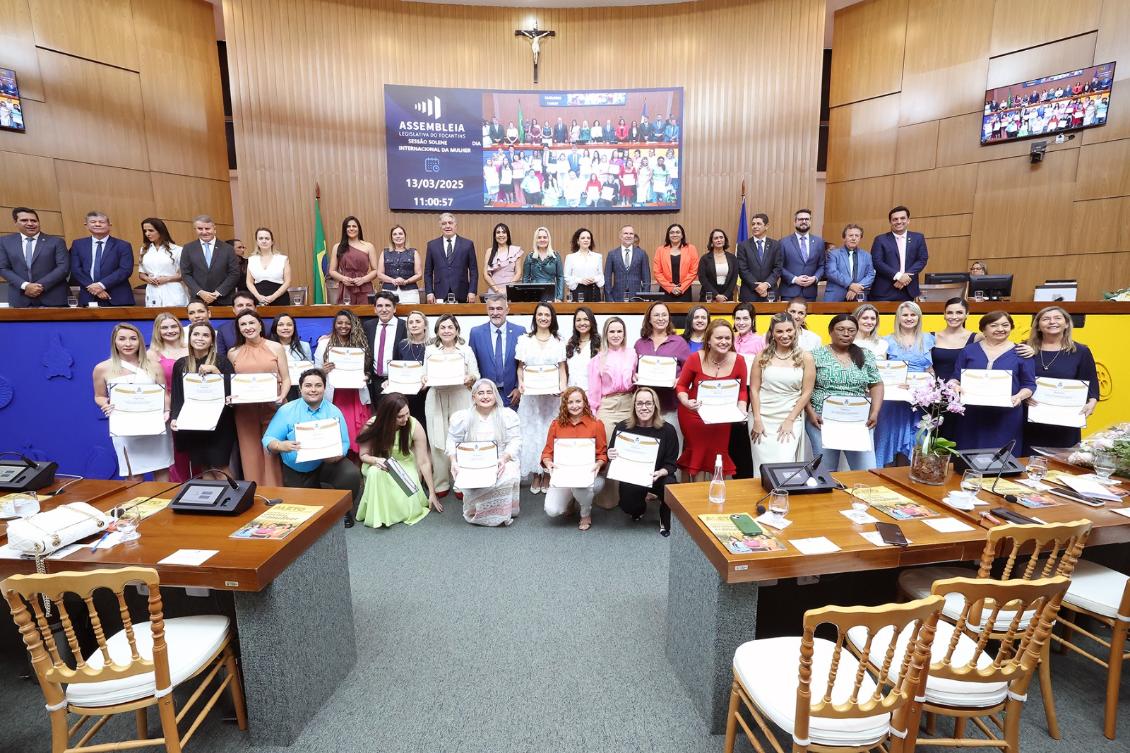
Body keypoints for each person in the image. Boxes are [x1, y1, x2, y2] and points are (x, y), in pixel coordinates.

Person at [263, 368, 362, 527]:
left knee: (350, 473)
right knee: (301, 517)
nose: (313, 390)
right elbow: (268, 439)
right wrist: (281, 445)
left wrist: (336, 456)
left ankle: (344, 511)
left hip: (326, 463)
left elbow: (344, 443)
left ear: (324, 388)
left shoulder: (334, 411)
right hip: (297, 467)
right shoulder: (287, 411)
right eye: (308, 385)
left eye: (318, 385)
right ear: (300, 388)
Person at [92, 323, 173, 482]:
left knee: (162, 471)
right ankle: (135, 507)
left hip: (155, 425)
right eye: (122, 339)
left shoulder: (154, 366)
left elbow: (164, 393)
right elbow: (99, 396)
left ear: (140, 342)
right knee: (133, 475)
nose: (128, 344)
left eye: (133, 339)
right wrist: (105, 404)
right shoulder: (102, 368)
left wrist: (167, 410)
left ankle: (165, 505)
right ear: (114, 342)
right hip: (125, 427)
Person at [805, 314, 884, 474]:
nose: (846, 334)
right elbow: (804, 389)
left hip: (859, 420)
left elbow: (876, 384)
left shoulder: (866, 354)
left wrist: (875, 412)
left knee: (866, 471)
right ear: (830, 331)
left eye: (851, 330)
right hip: (822, 420)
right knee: (825, 472)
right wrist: (811, 413)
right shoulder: (814, 355)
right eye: (841, 329)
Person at [1018, 305, 1099, 453]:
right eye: (1046, 319)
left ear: (1067, 323)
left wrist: (1092, 402)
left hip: (1065, 420)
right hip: (1031, 415)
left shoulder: (1080, 351)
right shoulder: (1024, 348)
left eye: (1057, 318)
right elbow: (1016, 379)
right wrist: (1022, 396)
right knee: (1026, 461)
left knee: (1061, 464)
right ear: (1038, 326)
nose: (1052, 322)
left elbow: (1091, 381)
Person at [951, 311, 1036, 452]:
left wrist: (1019, 396)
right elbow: (955, 377)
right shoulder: (969, 351)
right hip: (972, 414)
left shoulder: (1022, 352)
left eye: (1005, 325)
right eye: (994, 325)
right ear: (984, 329)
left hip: (1006, 415)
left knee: (1002, 459)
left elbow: (1029, 384)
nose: (1000, 329)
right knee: (969, 456)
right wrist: (955, 386)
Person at [676, 319, 749, 481]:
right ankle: (694, 497)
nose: (724, 342)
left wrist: (742, 408)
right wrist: (686, 401)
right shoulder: (695, 358)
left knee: (718, 453)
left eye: (728, 338)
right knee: (697, 452)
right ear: (708, 340)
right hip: (694, 415)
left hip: (723, 417)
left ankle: (715, 495)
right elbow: (681, 386)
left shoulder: (739, 361)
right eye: (719, 338)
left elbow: (742, 391)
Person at [355, 393, 440, 528]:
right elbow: (363, 455)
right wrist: (376, 460)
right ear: (387, 416)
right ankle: (378, 516)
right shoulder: (372, 425)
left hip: (405, 463)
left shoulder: (413, 424)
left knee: (407, 501)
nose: (405, 419)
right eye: (400, 416)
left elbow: (423, 461)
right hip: (378, 463)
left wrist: (432, 492)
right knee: (375, 473)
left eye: (407, 413)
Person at [447, 378, 521, 527]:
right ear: (473, 396)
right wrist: (453, 462)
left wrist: (504, 459)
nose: (485, 396)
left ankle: (502, 512)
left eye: (489, 392)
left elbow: (515, 441)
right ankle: (478, 511)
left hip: (501, 459)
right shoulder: (462, 417)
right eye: (481, 393)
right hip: (473, 461)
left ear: (495, 395)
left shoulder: (508, 415)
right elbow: (452, 440)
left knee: (507, 474)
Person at [228, 311, 289, 487]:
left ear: (260, 325)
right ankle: (255, 493)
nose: (248, 327)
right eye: (243, 324)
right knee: (250, 454)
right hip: (244, 411)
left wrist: (282, 396)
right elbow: (231, 382)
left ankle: (277, 493)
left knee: (272, 451)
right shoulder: (233, 353)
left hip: (273, 408)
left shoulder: (275, 347)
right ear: (239, 329)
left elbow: (286, 378)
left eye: (251, 323)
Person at [609, 387, 680, 536]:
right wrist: (610, 454)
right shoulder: (623, 427)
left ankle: (664, 517)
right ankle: (639, 508)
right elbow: (612, 453)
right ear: (634, 406)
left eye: (648, 403)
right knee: (628, 507)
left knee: (670, 485)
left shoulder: (668, 430)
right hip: (633, 477)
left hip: (658, 477)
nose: (644, 407)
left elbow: (671, 463)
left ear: (655, 406)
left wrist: (662, 472)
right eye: (639, 403)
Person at [170, 322, 236, 479]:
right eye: (196, 334)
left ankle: (234, 500)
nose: (200, 338)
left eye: (205, 335)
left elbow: (232, 392)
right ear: (190, 338)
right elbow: (177, 394)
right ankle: (213, 502)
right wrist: (175, 417)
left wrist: (216, 373)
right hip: (192, 424)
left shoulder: (222, 362)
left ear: (212, 341)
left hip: (220, 424)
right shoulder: (181, 364)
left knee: (220, 467)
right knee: (204, 467)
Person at [423, 313, 479, 497]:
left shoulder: (466, 350)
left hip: (460, 395)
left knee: (462, 438)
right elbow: (425, 375)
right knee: (437, 439)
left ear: (456, 330)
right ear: (437, 331)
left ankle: (461, 482)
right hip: (436, 396)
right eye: (443, 327)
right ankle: (441, 482)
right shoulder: (430, 350)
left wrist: (470, 378)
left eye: (450, 327)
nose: (447, 330)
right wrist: (423, 378)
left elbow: (475, 374)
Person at [750, 313, 815, 467]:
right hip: (762, 417)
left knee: (785, 464)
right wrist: (757, 419)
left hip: (790, 416)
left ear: (795, 331)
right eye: (779, 331)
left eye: (789, 330)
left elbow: (806, 392)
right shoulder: (761, 356)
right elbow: (754, 389)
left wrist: (790, 420)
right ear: (772, 333)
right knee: (762, 466)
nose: (785, 335)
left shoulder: (806, 357)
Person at [516, 302, 567, 493]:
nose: (543, 318)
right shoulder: (524, 340)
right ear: (535, 317)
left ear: (552, 318)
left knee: (549, 433)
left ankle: (547, 473)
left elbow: (562, 369)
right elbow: (521, 368)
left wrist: (563, 388)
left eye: (547, 315)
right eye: (540, 314)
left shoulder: (558, 341)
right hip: (530, 398)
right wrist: (521, 383)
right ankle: (536, 475)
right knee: (531, 434)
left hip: (551, 399)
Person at [875, 302, 934, 466]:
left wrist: (931, 382)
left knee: (916, 439)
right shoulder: (887, 341)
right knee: (887, 438)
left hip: (918, 400)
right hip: (892, 400)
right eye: (905, 315)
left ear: (919, 317)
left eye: (913, 315)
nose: (909, 318)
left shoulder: (929, 339)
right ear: (898, 318)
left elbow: (930, 369)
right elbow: (882, 370)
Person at [540, 388, 607, 531]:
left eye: (578, 401)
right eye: (570, 402)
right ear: (565, 404)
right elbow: (547, 452)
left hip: (588, 476)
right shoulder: (556, 425)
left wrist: (599, 463)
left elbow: (602, 454)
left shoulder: (596, 425)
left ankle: (585, 514)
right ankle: (571, 500)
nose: (574, 405)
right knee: (552, 510)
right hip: (563, 475)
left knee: (580, 487)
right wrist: (547, 461)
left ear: (584, 403)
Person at [314, 309, 373, 455]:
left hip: (355, 394)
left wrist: (366, 376)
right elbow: (315, 372)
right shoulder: (324, 343)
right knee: (338, 430)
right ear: (334, 324)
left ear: (353, 325)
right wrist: (323, 370)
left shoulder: (360, 343)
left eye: (347, 323)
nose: (343, 326)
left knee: (358, 433)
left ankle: (359, 466)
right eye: (339, 322)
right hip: (335, 396)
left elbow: (368, 370)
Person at [635, 301, 692, 430]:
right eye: (656, 315)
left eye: (664, 315)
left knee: (672, 447)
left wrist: (680, 380)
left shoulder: (679, 342)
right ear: (649, 319)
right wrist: (635, 375)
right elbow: (633, 369)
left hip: (671, 406)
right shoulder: (639, 343)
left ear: (669, 318)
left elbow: (689, 370)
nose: (661, 318)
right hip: (645, 408)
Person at [148, 312, 190, 481]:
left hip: (193, 404)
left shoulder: (191, 347)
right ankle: (178, 488)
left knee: (194, 449)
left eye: (173, 326)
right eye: (164, 327)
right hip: (168, 406)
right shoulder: (152, 354)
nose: (170, 330)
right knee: (174, 451)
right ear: (158, 331)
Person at [0, 207, 69, 307]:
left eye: (34, 220)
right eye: (24, 220)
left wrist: (38, 287)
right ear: (15, 222)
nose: (30, 224)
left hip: (53, 299)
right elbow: (3, 268)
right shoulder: (4, 242)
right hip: (21, 299)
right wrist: (25, 286)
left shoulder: (56, 242)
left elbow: (64, 268)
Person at [588, 316, 639, 450]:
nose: (616, 335)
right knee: (607, 447)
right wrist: (593, 412)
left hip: (628, 404)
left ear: (624, 333)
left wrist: (636, 377)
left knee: (628, 446)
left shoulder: (633, 354)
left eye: (619, 331)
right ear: (605, 334)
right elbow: (594, 391)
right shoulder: (597, 359)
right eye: (612, 332)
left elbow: (637, 379)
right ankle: (606, 472)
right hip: (607, 406)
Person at [469, 295, 525, 408]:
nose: (495, 312)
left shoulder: (520, 331)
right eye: (491, 309)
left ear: (507, 310)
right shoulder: (476, 333)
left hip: (512, 395)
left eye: (499, 308)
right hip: (485, 395)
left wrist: (518, 388)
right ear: (487, 310)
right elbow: (472, 364)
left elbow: (523, 363)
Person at [70, 211, 135, 306]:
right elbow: (76, 269)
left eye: (101, 222)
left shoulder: (123, 245)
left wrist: (101, 285)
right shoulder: (78, 244)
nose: (97, 224)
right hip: (88, 296)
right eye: (93, 222)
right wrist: (93, 288)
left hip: (116, 297)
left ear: (109, 225)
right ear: (86, 225)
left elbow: (125, 270)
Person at [730, 302, 765, 478]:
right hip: (731, 393)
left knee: (746, 438)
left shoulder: (760, 341)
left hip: (751, 393)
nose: (741, 322)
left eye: (745, 318)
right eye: (737, 318)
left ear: (752, 320)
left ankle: (746, 477)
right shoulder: (730, 339)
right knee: (732, 439)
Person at [870, 205, 929, 302]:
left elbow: (922, 259)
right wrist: (899, 276)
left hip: (908, 290)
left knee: (906, 317)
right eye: (895, 219)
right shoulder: (880, 239)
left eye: (902, 218)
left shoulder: (918, 238)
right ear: (890, 222)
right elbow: (877, 262)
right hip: (885, 291)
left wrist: (906, 277)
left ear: (908, 220)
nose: (899, 221)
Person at [180, 214, 241, 306]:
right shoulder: (188, 248)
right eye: (200, 229)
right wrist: (200, 292)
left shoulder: (228, 248)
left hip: (224, 299)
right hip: (198, 300)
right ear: (195, 230)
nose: (204, 232)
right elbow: (186, 274)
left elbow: (234, 273)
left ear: (214, 229)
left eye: (207, 229)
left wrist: (218, 293)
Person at [362, 291, 408, 406]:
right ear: (375, 309)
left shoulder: (405, 326)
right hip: (375, 381)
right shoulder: (368, 326)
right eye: (379, 306)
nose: (384, 309)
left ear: (394, 309)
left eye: (388, 305)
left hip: (398, 380)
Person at [387, 309, 430, 431]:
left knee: (424, 427)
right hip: (406, 396)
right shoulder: (402, 345)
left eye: (418, 321)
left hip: (426, 395)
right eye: (410, 322)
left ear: (425, 325)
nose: (414, 325)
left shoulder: (433, 345)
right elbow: (395, 367)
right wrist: (390, 380)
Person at [424, 212, 478, 304]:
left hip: (462, 292)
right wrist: (429, 292)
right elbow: (428, 272)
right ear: (440, 226)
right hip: (439, 293)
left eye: (450, 223)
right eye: (444, 224)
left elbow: (473, 271)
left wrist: (472, 291)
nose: (447, 226)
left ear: (455, 225)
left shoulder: (467, 244)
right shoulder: (432, 245)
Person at [329, 215, 379, 305]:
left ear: (358, 228)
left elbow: (375, 270)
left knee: (366, 316)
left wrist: (363, 279)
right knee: (346, 316)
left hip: (364, 287)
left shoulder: (368, 246)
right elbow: (332, 271)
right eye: (348, 226)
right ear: (344, 229)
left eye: (354, 226)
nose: (351, 229)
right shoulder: (337, 247)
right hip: (346, 288)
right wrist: (343, 278)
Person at [138, 217, 187, 307]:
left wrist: (166, 279)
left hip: (173, 291)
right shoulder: (144, 250)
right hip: (152, 290)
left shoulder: (177, 250)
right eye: (145, 231)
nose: (147, 234)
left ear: (160, 231)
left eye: (151, 230)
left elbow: (183, 274)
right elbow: (141, 274)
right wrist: (147, 279)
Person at [778, 208, 824, 301]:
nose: (804, 221)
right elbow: (778, 266)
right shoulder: (783, 242)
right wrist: (794, 279)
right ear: (794, 222)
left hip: (810, 292)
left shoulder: (819, 242)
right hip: (789, 292)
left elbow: (822, 265)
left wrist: (815, 278)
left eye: (807, 219)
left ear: (810, 222)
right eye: (800, 219)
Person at [735, 213, 782, 302]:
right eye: (753, 224)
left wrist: (766, 285)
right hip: (749, 292)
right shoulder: (743, 246)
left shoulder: (775, 245)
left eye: (758, 224)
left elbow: (778, 268)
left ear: (766, 226)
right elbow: (742, 269)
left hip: (769, 292)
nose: (755, 226)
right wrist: (757, 286)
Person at [824, 224, 875, 302]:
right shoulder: (834, 254)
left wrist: (856, 288)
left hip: (859, 296)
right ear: (844, 238)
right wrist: (851, 285)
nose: (854, 238)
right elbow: (831, 272)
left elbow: (870, 275)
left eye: (857, 236)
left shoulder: (866, 255)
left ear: (860, 238)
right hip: (836, 297)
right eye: (850, 235)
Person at [270, 313, 313, 402]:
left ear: (294, 327)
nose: (285, 328)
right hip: (277, 390)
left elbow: (309, 371)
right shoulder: (269, 347)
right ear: (275, 328)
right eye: (281, 325)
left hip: (299, 391)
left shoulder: (305, 346)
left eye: (289, 324)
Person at [245, 227, 292, 306]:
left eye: (267, 238)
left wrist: (273, 297)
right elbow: (249, 282)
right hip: (258, 299)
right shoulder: (251, 260)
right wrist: (258, 297)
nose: (264, 241)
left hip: (280, 298)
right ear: (257, 241)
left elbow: (288, 282)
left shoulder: (282, 259)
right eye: (261, 238)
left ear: (272, 241)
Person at [376, 224, 422, 305]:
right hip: (388, 292)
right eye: (395, 234)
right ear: (392, 238)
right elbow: (379, 274)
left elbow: (419, 275)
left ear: (405, 236)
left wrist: (406, 281)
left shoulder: (413, 252)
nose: (398, 236)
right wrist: (392, 280)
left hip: (410, 292)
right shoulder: (385, 252)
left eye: (400, 234)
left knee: (411, 315)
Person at [604, 224, 651, 301]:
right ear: (620, 236)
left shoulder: (642, 254)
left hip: (637, 297)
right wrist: (609, 298)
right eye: (626, 233)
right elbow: (607, 278)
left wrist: (644, 298)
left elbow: (647, 278)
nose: (628, 236)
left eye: (631, 234)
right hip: (616, 297)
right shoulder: (612, 254)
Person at [653, 223, 698, 302]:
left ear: (682, 235)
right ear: (668, 235)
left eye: (678, 232)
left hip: (684, 290)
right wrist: (671, 288)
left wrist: (681, 288)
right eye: (672, 232)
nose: (675, 234)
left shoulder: (691, 249)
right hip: (665, 290)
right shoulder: (660, 250)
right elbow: (657, 272)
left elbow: (693, 271)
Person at [521, 226, 564, 301]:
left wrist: (559, 297)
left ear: (548, 239)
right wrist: (526, 296)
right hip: (534, 294)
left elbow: (560, 277)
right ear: (536, 240)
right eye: (539, 237)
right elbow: (525, 278)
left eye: (545, 237)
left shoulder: (555, 256)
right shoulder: (530, 257)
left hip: (551, 293)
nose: (542, 240)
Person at [216, 292, 264, 358]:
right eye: (240, 305)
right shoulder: (223, 329)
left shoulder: (267, 327)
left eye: (249, 305)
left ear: (255, 308)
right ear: (233, 309)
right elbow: (221, 358)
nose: (244, 308)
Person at [483, 222, 523, 296]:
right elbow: (485, 275)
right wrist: (497, 290)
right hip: (494, 290)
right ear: (495, 236)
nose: (501, 235)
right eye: (498, 232)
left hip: (511, 289)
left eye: (504, 232)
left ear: (508, 235)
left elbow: (518, 273)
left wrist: (507, 289)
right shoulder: (489, 251)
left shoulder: (516, 250)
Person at [564, 227, 604, 302]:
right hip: (578, 290)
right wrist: (581, 280)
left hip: (594, 290)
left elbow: (601, 276)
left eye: (588, 238)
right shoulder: (570, 257)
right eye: (583, 238)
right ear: (578, 241)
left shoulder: (598, 257)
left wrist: (594, 279)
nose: (586, 240)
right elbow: (566, 277)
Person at [565, 307, 600, 390]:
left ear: (592, 321)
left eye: (586, 319)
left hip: (591, 394)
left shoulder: (599, 344)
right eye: (578, 320)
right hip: (571, 394)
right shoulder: (570, 343)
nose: (582, 323)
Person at [698, 228, 738, 302]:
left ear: (725, 240)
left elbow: (734, 278)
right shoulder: (705, 258)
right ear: (712, 242)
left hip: (727, 296)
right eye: (716, 238)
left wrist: (725, 295)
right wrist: (716, 295)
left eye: (721, 237)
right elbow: (702, 278)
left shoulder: (732, 258)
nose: (719, 240)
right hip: (709, 296)